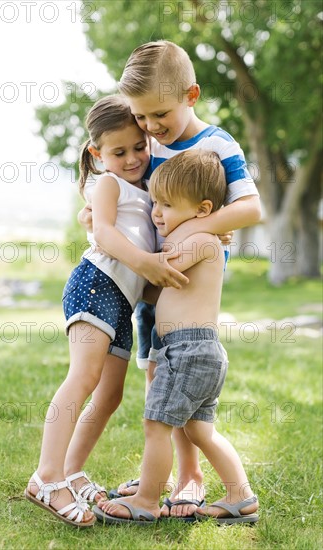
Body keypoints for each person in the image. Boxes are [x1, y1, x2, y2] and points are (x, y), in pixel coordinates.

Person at [78, 40, 261, 518]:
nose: (150, 128)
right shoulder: (150, 147)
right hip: (150, 291)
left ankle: (187, 479)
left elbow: (250, 207)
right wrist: (95, 215)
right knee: (159, 384)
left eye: (159, 114)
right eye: (141, 117)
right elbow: (135, 198)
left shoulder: (216, 145)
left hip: (188, 289)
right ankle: (165, 474)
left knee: (169, 401)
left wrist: (195, 230)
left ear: (191, 95)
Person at [24, 95, 184, 527]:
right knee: (83, 377)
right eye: (118, 151)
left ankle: (72, 471)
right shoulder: (107, 185)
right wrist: (146, 263)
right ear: (98, 153)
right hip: (95, 286)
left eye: (138, 146)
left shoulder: (147, 188)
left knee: (110, 396)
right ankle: (46, 477)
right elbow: (107, 236)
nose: (131, 157)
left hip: (123, 301)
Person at [94, 150, 259, 525]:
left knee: (156, 426)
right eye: (154, 202)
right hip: (192, 351)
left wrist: (116, 244)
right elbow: (161, 288)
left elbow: (159, 270)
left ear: (203, 209)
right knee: (200, 430)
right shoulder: (201, 238)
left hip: (188, 350)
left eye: (166, 204)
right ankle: (240, 495)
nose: (156, 212)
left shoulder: (202, 239)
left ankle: (147, 500)